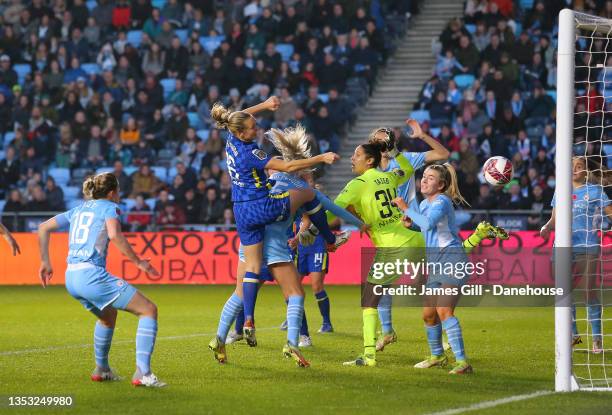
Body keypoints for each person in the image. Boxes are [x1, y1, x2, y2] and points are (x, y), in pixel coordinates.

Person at [209, 125, 363, 367]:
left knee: (239, 293)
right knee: (295, 294)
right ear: (303, 172)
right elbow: (331, 210)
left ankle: (219, 338)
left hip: (250, 244)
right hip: (277, 249)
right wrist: (357, 225)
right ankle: (292, 343)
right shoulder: (302, 190)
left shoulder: (267, 182)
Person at [37, 173, 166, 387]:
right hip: (92, 276)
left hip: (72, 278)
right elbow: (115, 236)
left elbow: (43, 228)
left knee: (107, 316)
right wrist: (139, 262)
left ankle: (102, 369)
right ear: (112, 192)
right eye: (118, 191)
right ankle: (142, 373)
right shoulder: (108, 207)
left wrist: (45, 262)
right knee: (148, 310)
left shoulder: (78, 209)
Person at [328, 134, 426, 367]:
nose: (352, 159)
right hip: (416, 238)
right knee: (430, 291)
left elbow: (331, 211)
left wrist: (311, 227)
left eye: (357, 155)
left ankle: (369, 355)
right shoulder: (389, 177)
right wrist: (394, 152)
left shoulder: (357, 185)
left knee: (369, 301)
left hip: (392, 246)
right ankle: (443, 345)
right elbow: (407, 170)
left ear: (370, 161)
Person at [369, 119, 450, 352]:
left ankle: (445, 330)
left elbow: (443, 153)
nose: (381, 144)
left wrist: (422, 135)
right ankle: (387, 331)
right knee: (380, 285)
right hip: (389, 234)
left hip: (413, 228)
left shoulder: (406, 160)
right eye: (377, 141)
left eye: (384, 140)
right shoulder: (370, 170)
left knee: (427, 284)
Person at [541, 157, 612, 353]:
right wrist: (546, 227)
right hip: (563, 245)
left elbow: (609, 212)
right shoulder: (561, 190)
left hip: (588, 244)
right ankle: (573, 336)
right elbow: (554, 218)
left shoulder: (595, 191)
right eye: (571, 167)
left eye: (579, 167)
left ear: (585, 170)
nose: (574, 170)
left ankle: (597, 338)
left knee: (589, 291)